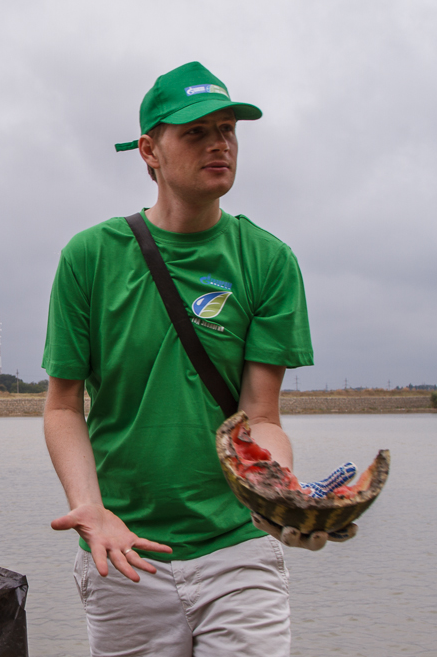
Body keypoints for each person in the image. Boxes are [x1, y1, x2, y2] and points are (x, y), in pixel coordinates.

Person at [41, 61, 354, 657]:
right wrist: (90, 510)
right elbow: (62, 407)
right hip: (124, 552)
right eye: (195, 132)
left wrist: (278, 490)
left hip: (238, 549)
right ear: (149, 151)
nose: (219, 144)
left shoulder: (267, 261)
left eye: (228, 130)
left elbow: (260, 415)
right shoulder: (90, 257)